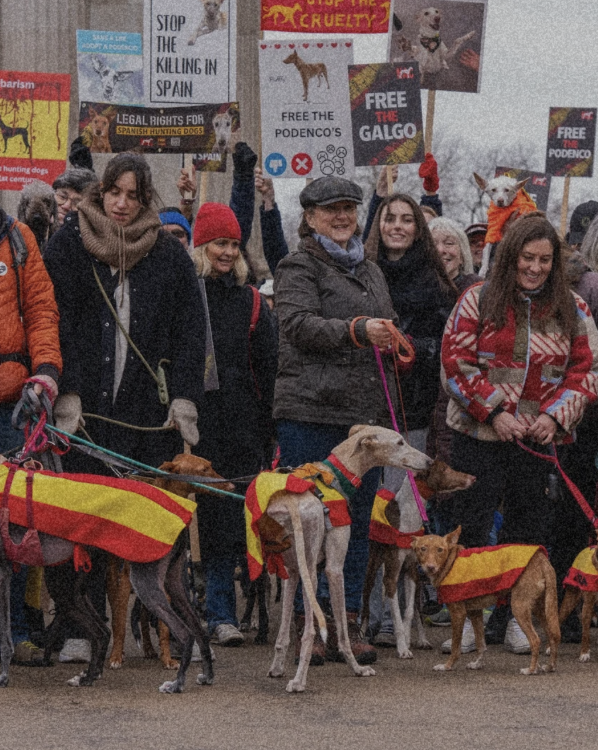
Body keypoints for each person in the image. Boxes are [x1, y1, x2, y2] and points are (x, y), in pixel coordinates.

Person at [44, 152, 205, 663]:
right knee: (79, 521)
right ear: (101, 191)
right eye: (115, 191)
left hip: (144, 415)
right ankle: (78, 627)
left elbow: (189, 330)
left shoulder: (167, 253)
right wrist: (64, 390)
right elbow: (53, 317)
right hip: (84, 414)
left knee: (140, 526)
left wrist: (184, 397)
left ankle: (159, 630)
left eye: (132, 195)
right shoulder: (69, 243)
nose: (121, 203)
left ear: (144, 200)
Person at [441, 215, 598, 651]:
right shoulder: (477, 299)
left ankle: (516, 619)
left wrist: (554, 417)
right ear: (511, 255)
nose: (535, 267)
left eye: (545, 260)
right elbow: (455, 362)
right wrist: (493, 412)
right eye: (527, 257)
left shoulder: (574, 308)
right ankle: (471, 621)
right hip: (481, 435)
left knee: (528, 531)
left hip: (539, 440)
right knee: (471, 528)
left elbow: (587, 371)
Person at [274, 175, 404, 666]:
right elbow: (296, 324)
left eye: (349, 207)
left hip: (361, 419)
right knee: (308, 524)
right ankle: (313, 617)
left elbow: (378, 329)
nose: (343, 216)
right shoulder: (296, 266)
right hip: (310, 413)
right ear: (309, 217)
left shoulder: (371, 270)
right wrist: (358, 329)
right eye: (331, 209)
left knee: (354, 525)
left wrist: (389, 338)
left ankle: (345, 619)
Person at [362, 193, 457, 646]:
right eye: (388, 218)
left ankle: (400, 613)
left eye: (405, 219)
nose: (396, 226)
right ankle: (372, 612)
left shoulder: (436, 286)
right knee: (369, 512)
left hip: (413, 412)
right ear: (376, 225)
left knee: (403, 515)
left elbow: (447, 346)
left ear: (418, 228)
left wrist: (410, 348)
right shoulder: (361, 275)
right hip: (366, 413)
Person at [192, 201, 278, 647]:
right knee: (213, 523)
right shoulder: (187, 293)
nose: (225, 253)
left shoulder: (253, 303)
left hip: (246, 425)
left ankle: (258, 609)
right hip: (200, 426)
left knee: (247, 519)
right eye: (217, 244)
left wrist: (269, 429)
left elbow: (268, 369)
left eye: (231, 244)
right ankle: (219, 611)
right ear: (202, 246)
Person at [0, 206, 62, 665]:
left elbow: (41, 310)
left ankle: (16, 631)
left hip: (12, 403)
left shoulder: (18, 238)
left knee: (16, 522)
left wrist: (45, 372)